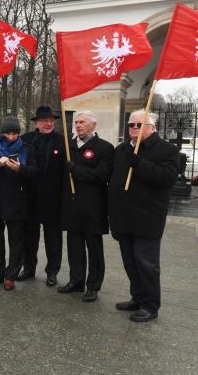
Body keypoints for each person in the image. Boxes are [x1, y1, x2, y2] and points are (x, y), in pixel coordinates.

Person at [109, 109, 179, 322]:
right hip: (123, 217)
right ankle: (137, 297)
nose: (134, 129)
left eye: (139, 125)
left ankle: (150, 305)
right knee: (130, 262)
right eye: (131, 125)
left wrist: (138, 163)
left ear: (152, 127)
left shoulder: (167, 150)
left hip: (147, 218)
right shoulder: (121, 150)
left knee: (146, 263)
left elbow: (166, 178)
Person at [58, 111, 114, 302]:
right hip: (72, 205)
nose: (78, 125)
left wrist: (77, 170)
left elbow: (102, 175)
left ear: (93, 125)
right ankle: (76, 281)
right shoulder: (69, 145)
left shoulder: (105, 148)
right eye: (76, 122)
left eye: (82, 122)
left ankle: (93, 286)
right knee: (74, 247)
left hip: (93, 206)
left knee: (94, 248)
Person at [0, 117, 38, 290]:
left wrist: (20, 169)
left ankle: (11, 275)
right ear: (2, 133)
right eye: (8, 133)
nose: (11, 136)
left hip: (17, 201)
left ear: (19, 133)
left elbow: (35, 172)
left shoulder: (27, 149)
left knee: (16, 241)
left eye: (15, 133)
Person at [18, 106, 65, 287]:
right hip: (29, 196)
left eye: (51, 121)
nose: (48, 123)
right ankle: (29, 267)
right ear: (36, 123)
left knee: (53, 237)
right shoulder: (26, 140)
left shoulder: (62, 142)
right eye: (44, 120)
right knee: (29, 235)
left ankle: (52, 271)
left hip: (52, 198)